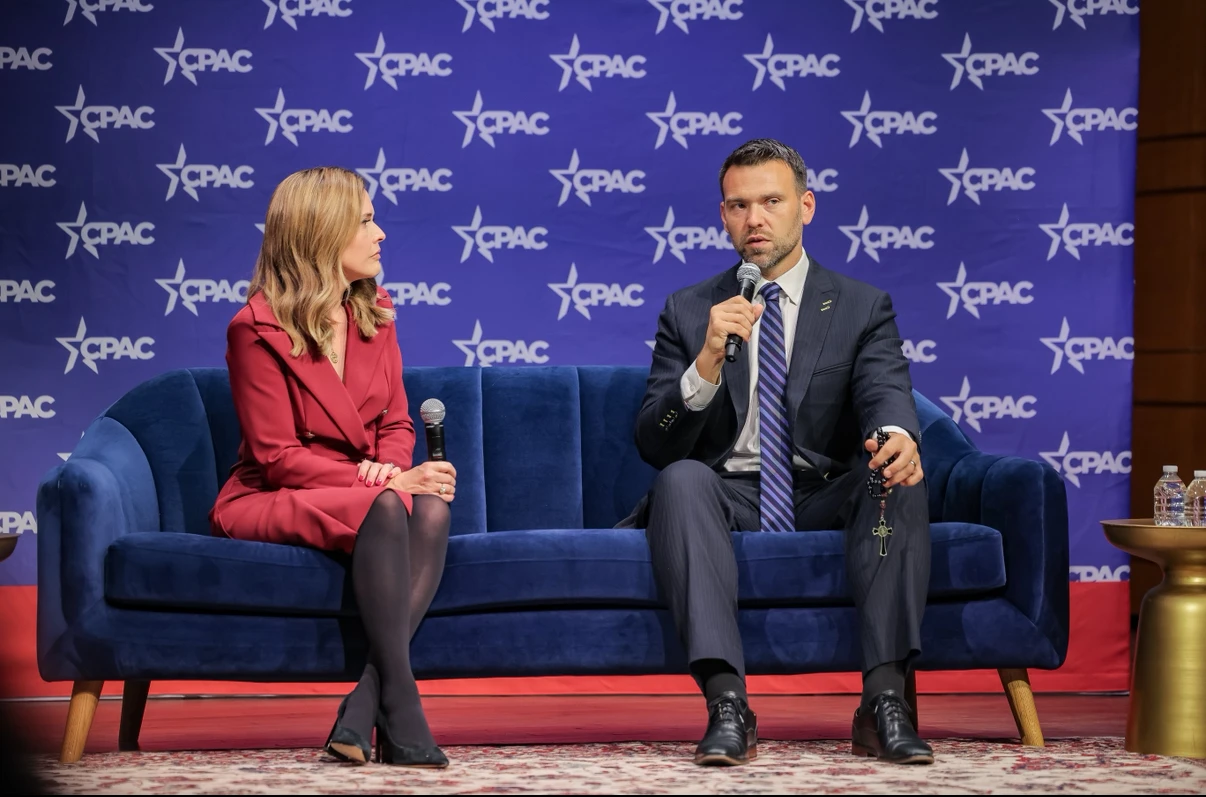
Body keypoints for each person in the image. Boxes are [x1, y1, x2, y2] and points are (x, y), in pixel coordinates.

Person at [626, 139, 933, 766]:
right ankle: (727, 704)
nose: (755, 220)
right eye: (739, 206)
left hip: (821, 490)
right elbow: (654, 443)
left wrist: (898, 436)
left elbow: (884, 391)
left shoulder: (858, 305)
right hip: (729, 495)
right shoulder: (690, 310)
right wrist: (708, 360)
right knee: (682, 480)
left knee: (894, 475)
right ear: (723, 216)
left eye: (771, 201)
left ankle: (883, 703)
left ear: (807, 207)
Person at [209, 167, 457, 768]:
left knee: (430, 504)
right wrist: (379, 480)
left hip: (366, 488)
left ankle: (367, 699)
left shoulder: (377, 315)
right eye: (366, 221)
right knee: (391, 501)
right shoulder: (256, 330)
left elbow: (397, 424)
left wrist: (392, 471)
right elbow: (276, 457)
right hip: (275, 492)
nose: (381, 234)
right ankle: (400, 708)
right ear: (322, 233)